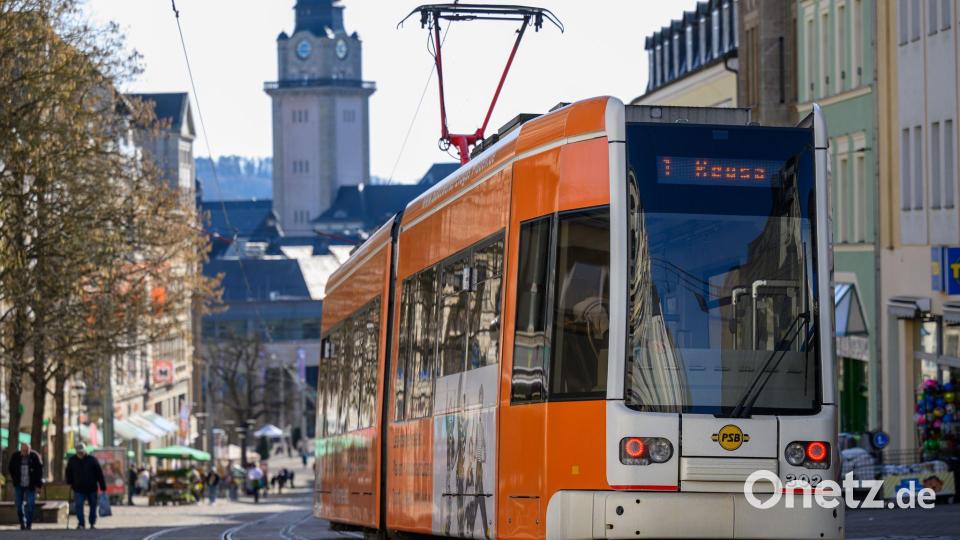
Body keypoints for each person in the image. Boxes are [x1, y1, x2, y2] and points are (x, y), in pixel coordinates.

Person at [65, 443, 106, 530]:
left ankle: (92, 523)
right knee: (79, 506)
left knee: (93, 506)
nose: (80, 453)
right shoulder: (72, 460)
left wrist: (102, 486)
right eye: (78, 452)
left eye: (81, 452)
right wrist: (69, 482)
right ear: (76, 452)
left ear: (85, 451)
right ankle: (81, 523)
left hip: (91, 487)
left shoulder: (92, 460)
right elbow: (68, 473)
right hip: (78, 488)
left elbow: (99, 474)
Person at [7, 442, 43, 530]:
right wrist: (15, 479)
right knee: (19, 505)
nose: (25, 452)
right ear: (20, 449)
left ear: (29, 449)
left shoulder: (35, 457)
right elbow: (10, 468)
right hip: (19, 485)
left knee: (31, 505)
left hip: (31, 485)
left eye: (27, 450)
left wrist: (38, 485)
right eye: (23, 450)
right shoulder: (15, 456)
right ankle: (22, 522)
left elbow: (40, 472)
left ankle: (29, 524)